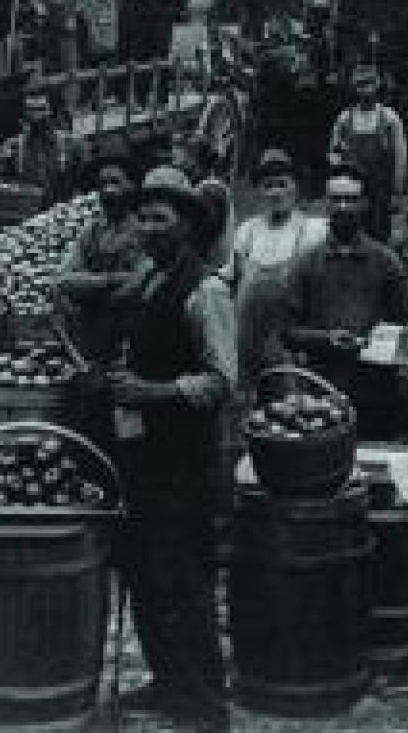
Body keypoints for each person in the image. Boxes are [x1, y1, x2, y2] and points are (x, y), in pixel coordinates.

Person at [106, 166, 234, 729]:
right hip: (141, 456)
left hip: (184, 461)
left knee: (184, 580)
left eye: (161, 219)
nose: (148, 228)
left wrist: (151, 391)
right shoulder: (150, 279)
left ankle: (205, 707)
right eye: (143, 217)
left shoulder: (206, 291)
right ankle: (166, 683)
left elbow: (220, 381)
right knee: (143, 574)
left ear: (186, 226)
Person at [285, 162, 408, 440]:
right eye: (336, 199)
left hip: (376, 388)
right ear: (326, 204)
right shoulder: (306, 261)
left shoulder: (386, 261)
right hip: (320, 389)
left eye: (351, 199)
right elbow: (288, 331)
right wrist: (325, 339)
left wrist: (375, 342)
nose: (343, 207)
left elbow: (407, 324)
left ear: (365, 204)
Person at [229, 149, 326, 394]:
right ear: (259, 192)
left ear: (296, 189)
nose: (275, 193)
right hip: (249, 331)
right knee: (247, 392)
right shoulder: (247, 231)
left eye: (282, 185)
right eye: (268, 186)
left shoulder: (312, 230)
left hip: (288, 331)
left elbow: (315, 289)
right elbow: (233, 278)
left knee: (290, 391)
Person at [53, 160, 141, 373]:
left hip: (129, 336)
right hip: (92, 335)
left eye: (115, 182)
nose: (108, 190)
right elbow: (64, 279)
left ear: (132, 186)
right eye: (102, 183)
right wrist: (111, 280)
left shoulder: (144, 230)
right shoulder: (92, 230)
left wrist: (87, 288)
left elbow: (137, 286)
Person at [328, 64, 407, 243]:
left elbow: (400, 156)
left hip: (380, 188)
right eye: (361, 85)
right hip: (351, 188)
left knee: (379, 232)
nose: (365, 90)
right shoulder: (344, 118)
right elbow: (334, 153)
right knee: (350, 230)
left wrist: (397, 190)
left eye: (369, 84)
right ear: (354, 88)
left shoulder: (389, 118)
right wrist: (338, 179)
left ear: (377, 86)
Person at [0, 88, 82, 207]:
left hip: (59, 215)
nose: (37, 116)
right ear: (25, 114)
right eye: (31, 110)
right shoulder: (14, 147)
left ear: (49, 112)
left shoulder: (68, 144)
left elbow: (82, 182)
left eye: (41, 109)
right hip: (25, 213)